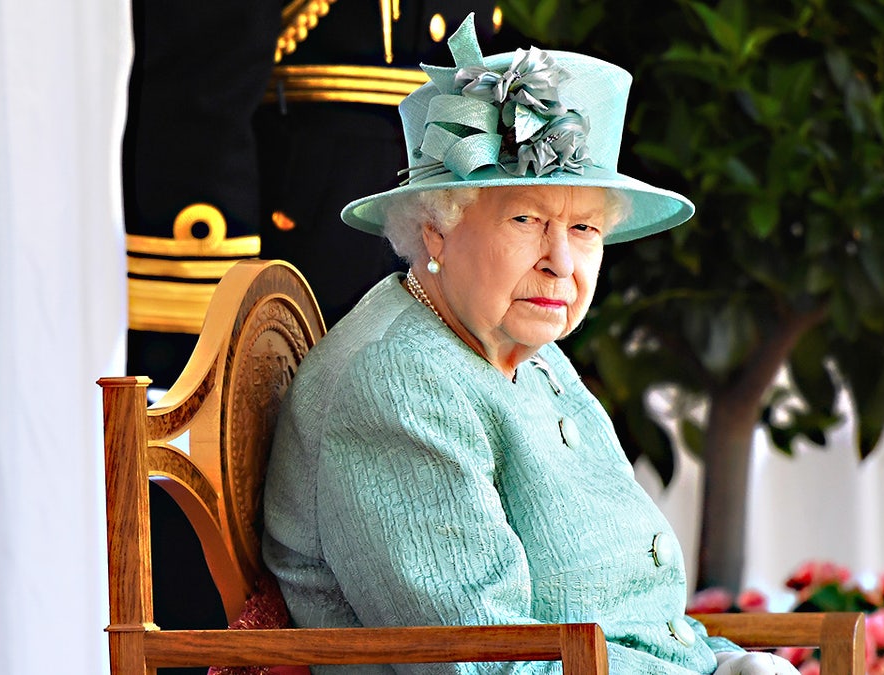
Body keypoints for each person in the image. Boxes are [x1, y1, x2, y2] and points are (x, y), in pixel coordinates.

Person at [262, 15, 798, 675]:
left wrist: (728, 661)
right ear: (436, 230)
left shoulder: (530, 355)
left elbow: (637, 616)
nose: (562, 262)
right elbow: (492, 667)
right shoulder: (395, 384)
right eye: (527, 220)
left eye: (585, 228)